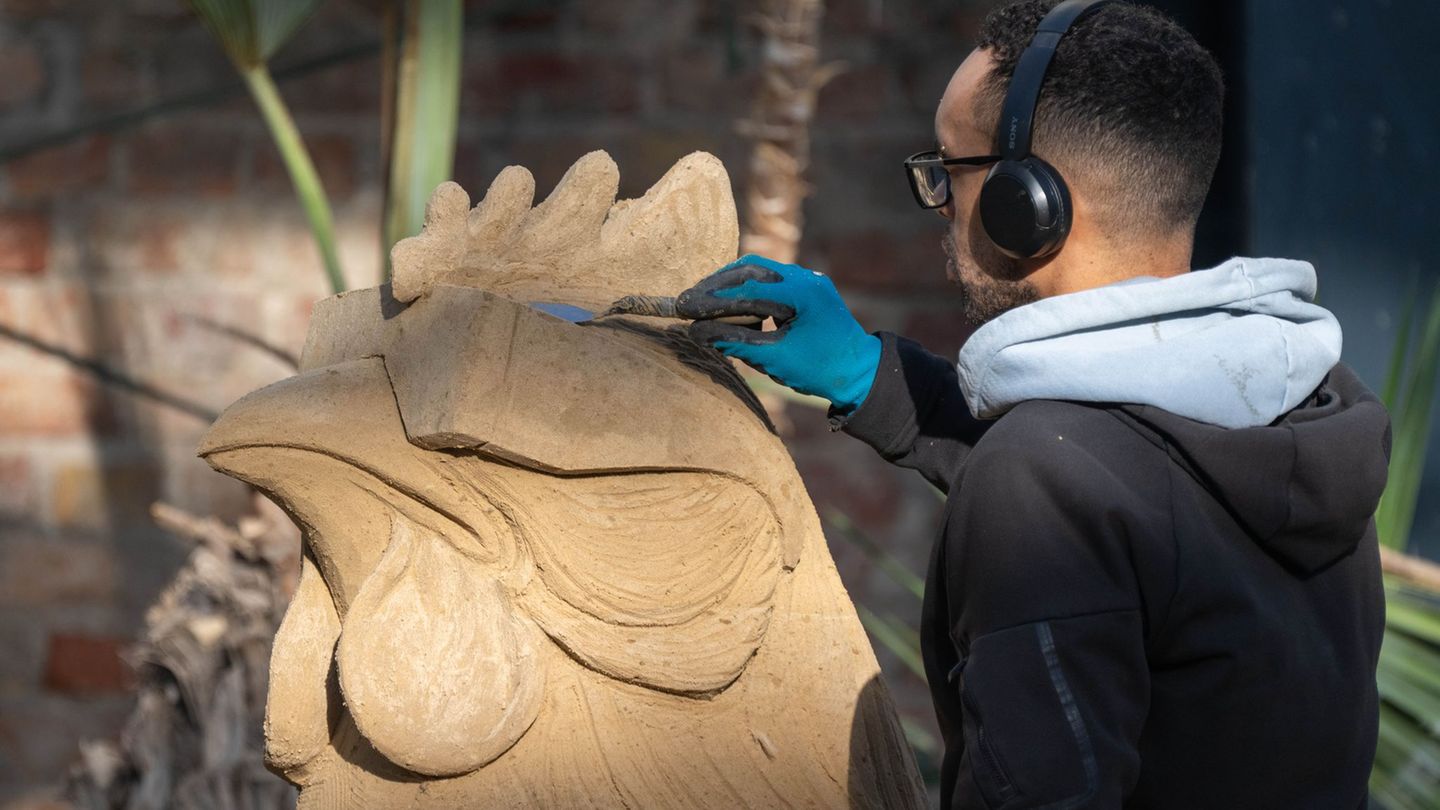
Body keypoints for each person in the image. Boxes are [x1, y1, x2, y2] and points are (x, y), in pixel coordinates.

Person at [674, 0, 1390, 807]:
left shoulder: (1041, 482)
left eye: (949, 169)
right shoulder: (1311, 406)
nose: (941, 201)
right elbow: (1133, 493)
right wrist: (871, 376)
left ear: (1028, 202)